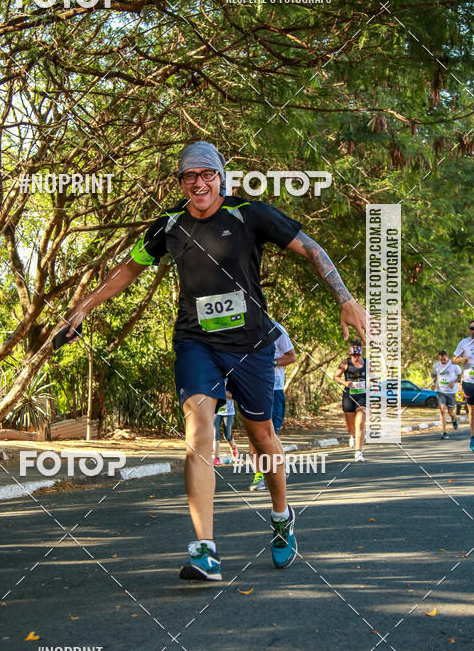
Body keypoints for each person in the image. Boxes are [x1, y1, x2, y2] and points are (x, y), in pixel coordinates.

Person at [65, 140, 366, 580]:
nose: (199, 183)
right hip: (195, 342)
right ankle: (205, 548)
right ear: (181, 182)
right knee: (198, 430)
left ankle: (282, 518)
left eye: (207, 174)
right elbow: (127, 269)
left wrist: (346, 299)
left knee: (262, 437)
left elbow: (312, 249)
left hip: (250, 345)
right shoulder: (168, 225)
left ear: (221, 177)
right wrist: (84, 306)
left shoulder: (249, 215)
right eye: (190, 176)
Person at [249, 322, 296, 491]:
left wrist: (271, 363)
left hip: (273, 389)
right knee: (254, 435)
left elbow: (292, 356)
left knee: (269, 433)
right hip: (252, 389)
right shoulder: (243, 330)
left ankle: (278, 467)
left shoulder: (276, 329)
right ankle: (259, 475)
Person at [334, 341, 367, 462]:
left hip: (362, 396)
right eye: (354, 355)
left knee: (360, 423)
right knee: (350, 426)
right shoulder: (345, 363)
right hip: (349, 396)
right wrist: (345, 382)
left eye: (357, 355)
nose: (356, 358)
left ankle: (358, 452)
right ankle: (352, 435)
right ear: (351, 354)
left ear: (361, 354)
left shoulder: (367, 363)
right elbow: (335, 376)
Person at [452, 320, 474, 451]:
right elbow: (453, 360)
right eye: (472, 328)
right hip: (469, 382)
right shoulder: (463, 343)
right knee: (472, 411)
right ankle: (473, 436)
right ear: (469, 330)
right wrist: (461, 359)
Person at [432, 350, 460, 438]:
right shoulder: (436, 365)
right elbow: (435, 375)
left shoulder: (453, 365)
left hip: (451, 392)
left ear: (447, 356)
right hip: (441, 391)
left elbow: (459, 375)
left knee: (450, 412)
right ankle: (444, 432)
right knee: (442, 410)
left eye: (444, 359)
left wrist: (454, 382)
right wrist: (434, 383)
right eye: (441, 360)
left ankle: (454, 419)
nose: (442, 361)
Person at [213, 390, 238, 464]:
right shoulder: (215, 380)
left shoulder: (231, 380)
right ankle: (216, 458)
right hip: (216, 411)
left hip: (229, 412)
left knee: (227, 435)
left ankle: (233, 448)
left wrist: (222, 394)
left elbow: (236, 396)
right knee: (215, 435)